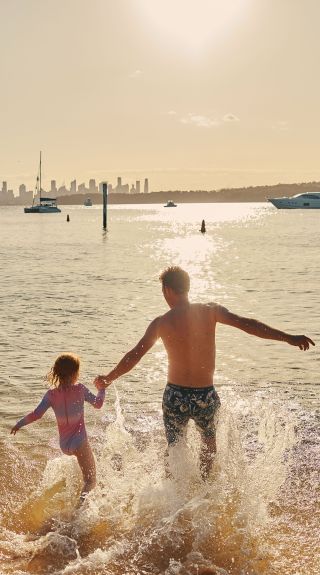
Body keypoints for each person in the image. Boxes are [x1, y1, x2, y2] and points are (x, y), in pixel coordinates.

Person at [94, 267, 315, 479]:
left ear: (168, 290)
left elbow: (135, 355)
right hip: (205, 396)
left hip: (175, 396)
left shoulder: (162, 323)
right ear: (187, 287)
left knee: (174, 448)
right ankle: (204, 492)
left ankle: (172, 497)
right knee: (209, 449)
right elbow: (249, 325)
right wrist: (287, 337)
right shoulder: (210, 312)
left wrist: (108, 378)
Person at [11, 353, 106, 501]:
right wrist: (101, 389)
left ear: (57, 373)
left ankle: (69, 493)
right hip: (79, 442)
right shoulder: (80, 389)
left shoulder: (51, 395)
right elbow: (98, 404)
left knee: (83, 475)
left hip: (64, 445)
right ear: (75, 373)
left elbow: (36, 414)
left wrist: (19, 424)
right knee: (91, 480)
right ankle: (78, 511)